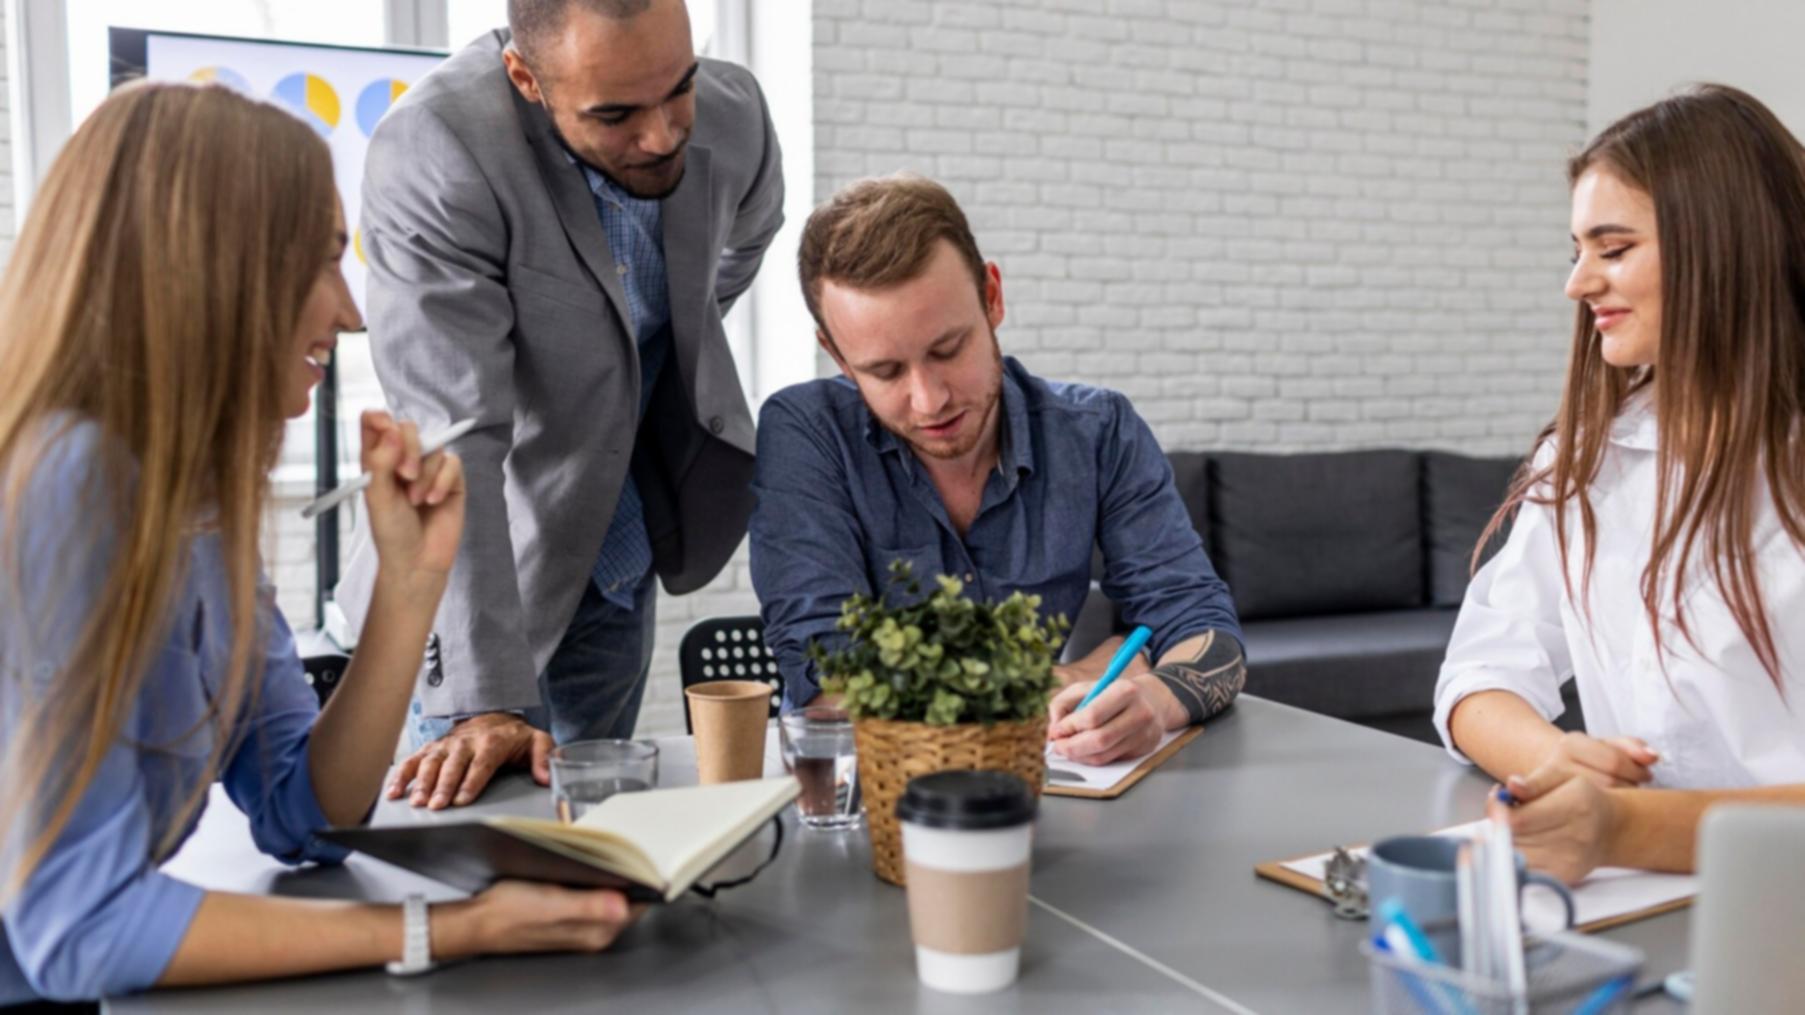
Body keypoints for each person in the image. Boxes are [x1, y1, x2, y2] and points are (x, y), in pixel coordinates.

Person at [0, 84, 640, 1006]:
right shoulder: (67, 480)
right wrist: (451, 928)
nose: (350, 311)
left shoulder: (189, 504)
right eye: (321, 263)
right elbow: (79, 928)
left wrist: (412, 585)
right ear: (212, 271)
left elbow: (309, 813)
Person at [335, 0, 785, 811]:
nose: (659, 135)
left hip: (618, 558)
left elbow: (749, 237)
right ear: (525, 77)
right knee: (474, 853)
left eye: (675, 88)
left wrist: (656, 337)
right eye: (614, 114)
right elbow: (453, 431)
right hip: (477, 570)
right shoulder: (435, 149)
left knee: (597, 844)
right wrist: (483, 703)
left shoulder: (735, 113)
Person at [1433, 84, 1805, 884]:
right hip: (1642, 903)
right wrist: (1555, 759)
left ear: (1723, 246)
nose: (1576, 284)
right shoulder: (1591, 456)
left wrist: (1623, 826)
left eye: (1611, 248)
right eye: (1575, 251)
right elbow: (1478, 673)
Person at [749, 175, 1245, 767]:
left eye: (947, 349)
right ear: (835, 354)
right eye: (884, 372)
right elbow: (829, 682)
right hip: (863, 801)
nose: (929, 400)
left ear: (992, 296)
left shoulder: (1098, 431)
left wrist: (1156, 697)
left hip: (1047, 792)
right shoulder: (806, 433)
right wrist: (1081, 669)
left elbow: (1206, 632)